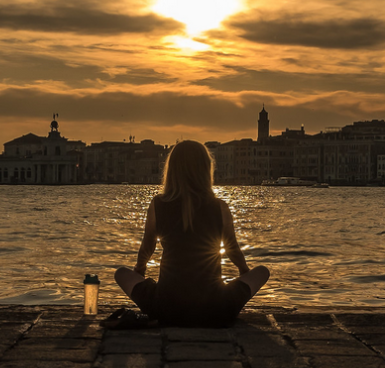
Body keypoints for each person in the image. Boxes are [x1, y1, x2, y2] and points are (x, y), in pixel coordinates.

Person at [114, 140, 270, 327]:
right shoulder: (220, 207)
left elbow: (147, 248)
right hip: (216, 309)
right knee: (262, 272)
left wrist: (140, 273)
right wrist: (244, 275)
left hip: (166, 309)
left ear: (171, 171)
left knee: (121, 273)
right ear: (206, 170)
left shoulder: (158, 204)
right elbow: (232, 250)